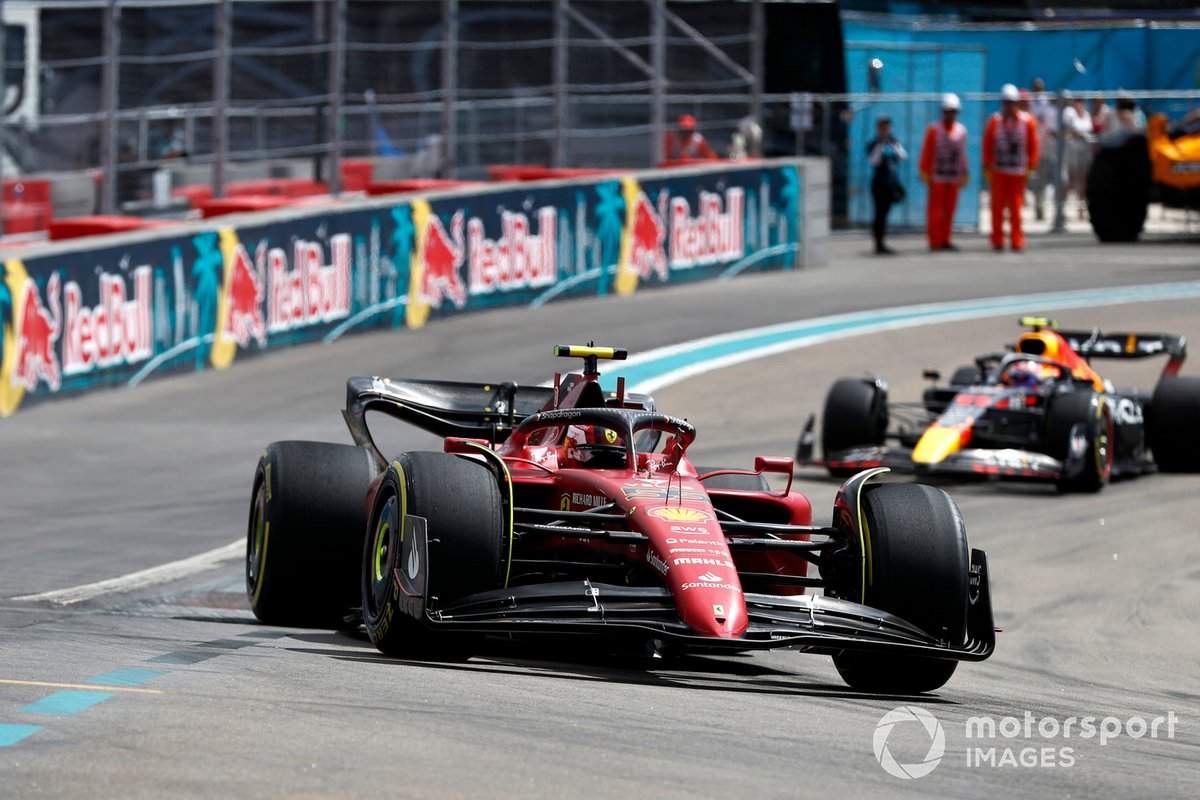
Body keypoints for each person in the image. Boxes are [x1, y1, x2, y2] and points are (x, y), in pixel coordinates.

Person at [983, 84, 1039, 252]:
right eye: (1006, 102)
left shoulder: (1027, 121)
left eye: (1012, 102)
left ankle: (1016, 240)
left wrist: (1032, 164)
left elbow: (1033, 144)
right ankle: (997, 240)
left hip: (1017, 172)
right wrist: (987, 164)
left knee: (1016, 208)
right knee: (997, 208)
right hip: (999, 171)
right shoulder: (994, 120)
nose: (1009, 106)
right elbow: (987, 144)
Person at [919, 93, 969, 251]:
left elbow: (962, 153)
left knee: (950, 210)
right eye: (948, 110)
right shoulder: (934, 129)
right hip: (937, 177)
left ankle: (946, 239)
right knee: (935, 211)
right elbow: (927, 151)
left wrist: (965, 171)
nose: (951, 114)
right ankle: (934, 241)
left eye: (953, 111)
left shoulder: (961, 131)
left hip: (953, 177)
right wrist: (924, 170)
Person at [866, 114, 907, 255]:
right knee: (879, 214)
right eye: (882, 125)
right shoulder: (873, 143)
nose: (884, 128)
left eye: (887, 125)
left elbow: (903, 156)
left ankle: (882, 242)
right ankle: (878, 244)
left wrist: (894, 145)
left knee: (885, 213)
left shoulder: (893, 141)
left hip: (891, 183)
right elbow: (874, 161)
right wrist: (880, 144)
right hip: (878, 183)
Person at [1028, 78, 1059, 221]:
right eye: (1036, 87)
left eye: (1040, 87)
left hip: (1048, 147)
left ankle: (1052, 208)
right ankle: (1038, 207)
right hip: (1034, 147)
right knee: (1038, 181)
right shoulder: (1029, 103)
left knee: (1053, 180)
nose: (1038, 89)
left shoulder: (1047, 104)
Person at [1061, 95, 1094, 218]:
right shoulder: (1069, 114)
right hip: (1072, 151)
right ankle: (1062, 208)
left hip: (1085, 152)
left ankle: (1080, 209)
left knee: (1083, 183)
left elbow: (1088, 132)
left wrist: (1082, 134)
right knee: (1070, 181)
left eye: (1082, 101)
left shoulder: (1086, 115)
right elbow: (1071, 131)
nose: (1079, 103)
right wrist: (1080, 134)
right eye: (1077, 101)